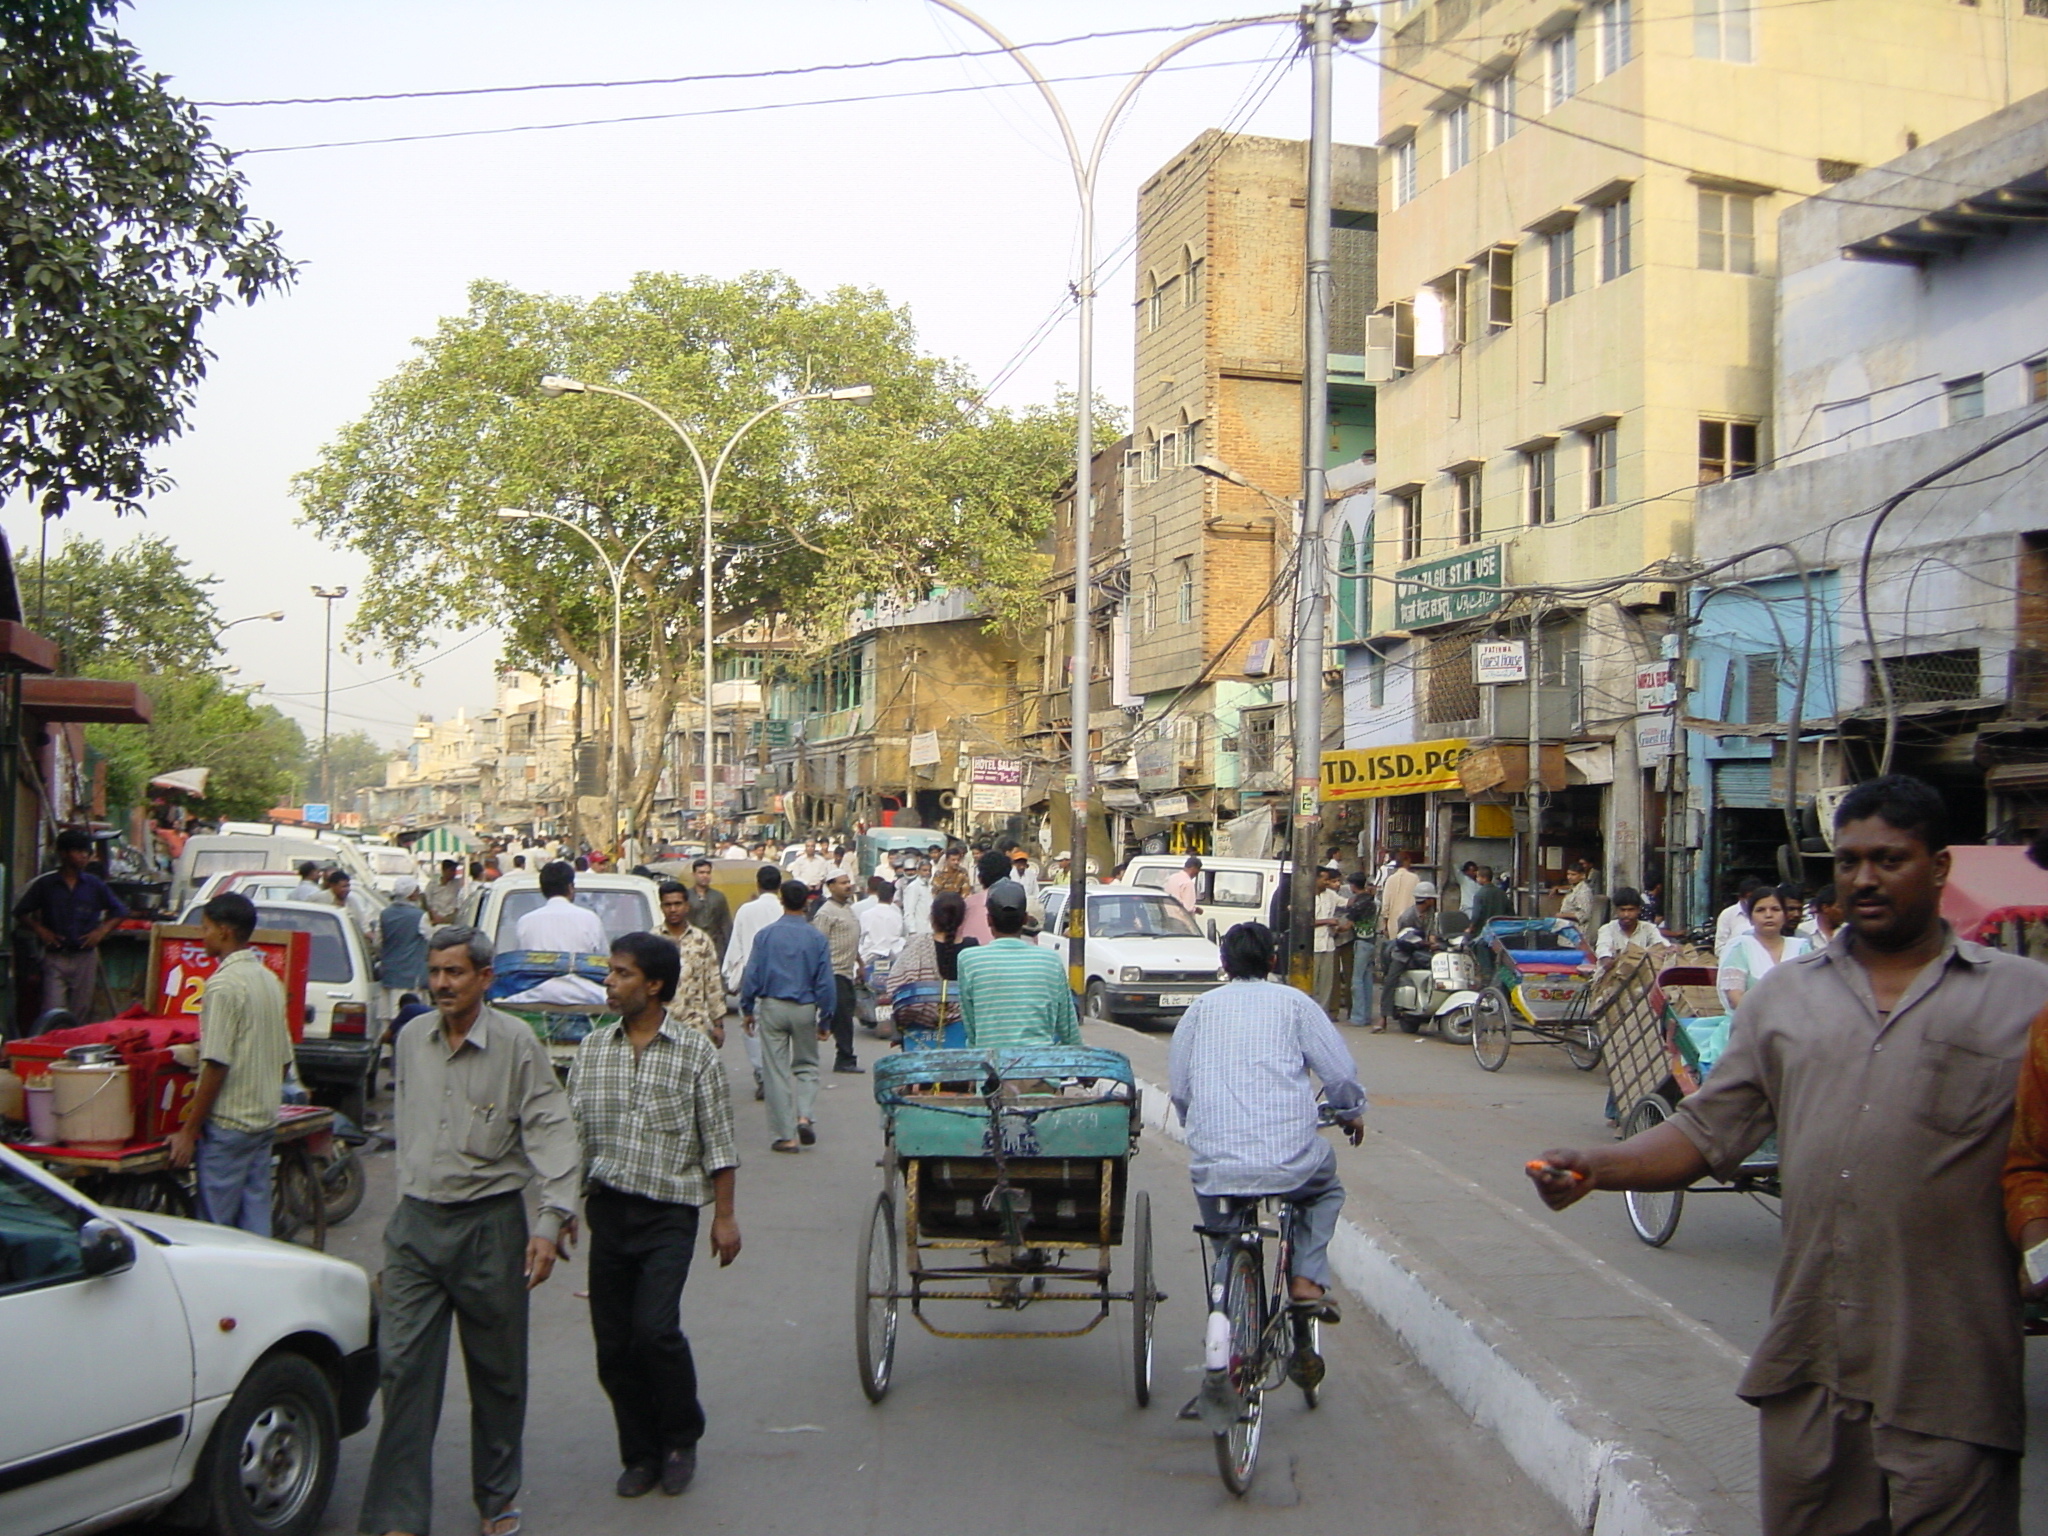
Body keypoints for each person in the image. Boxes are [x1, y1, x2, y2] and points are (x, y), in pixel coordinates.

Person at [1529, 774, 2048, 1536]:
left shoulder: (2025, 1001)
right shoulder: (1786, 999)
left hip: (1953, 1362)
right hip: (1813, 1361)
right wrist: (1599, 1166)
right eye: (1849, 861)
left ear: (1939, 867)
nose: (1864, 878)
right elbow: (1708, 1133)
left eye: (1890, 859)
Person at [358, 926, 580, 1536]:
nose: (440, 984)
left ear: (484, 978)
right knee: (402, 1369)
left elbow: (551, 1128)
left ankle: (497, 1495)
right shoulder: (409, 1039)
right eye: (434, 972)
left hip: (490, 1227)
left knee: (498, 1373)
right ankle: (400, 1513)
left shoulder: (516, 1043)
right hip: (416, 1228)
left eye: (454, 973)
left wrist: (550, 1217)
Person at [571, 932, 740, 1501]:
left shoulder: (694, 1053)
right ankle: (639, 1452)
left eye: (621, 974)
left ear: (654, 985)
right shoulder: (594, 1050)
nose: (610, 984)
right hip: (609, 1211)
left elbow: (719, 1141)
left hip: (669, 1214)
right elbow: (573, 1137)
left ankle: (680, 1437)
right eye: (610, 973)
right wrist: (560, 1210)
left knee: (655, 1330)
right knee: (613, 1345)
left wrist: (725, 1219)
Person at [1168, 921, 1364, 1318]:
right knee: (1324, 1189)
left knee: (1217, 1209)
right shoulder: (1296, 1004)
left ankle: (1228, 1268)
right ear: (1273, 960)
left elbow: (1180, 1090)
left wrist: (1199, 1126)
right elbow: (1340, 1076)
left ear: (1224, 964)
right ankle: (1307, 1278)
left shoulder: (1200, 1010)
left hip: (1215, 1158)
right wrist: (1351, 1112)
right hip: (1288, 1158)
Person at [165, 892, 291, 1235]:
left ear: (223, 931)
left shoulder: (222, 986)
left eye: (205, 928)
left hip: (229, 1126)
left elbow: (216, 1064)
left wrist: (189, 1131)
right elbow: (284, 1060)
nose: (201, 935)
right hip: (263, 1120)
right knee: (254, 1228)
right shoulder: (269, 980)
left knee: (217, 1232)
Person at [739, 881, 835, 1153]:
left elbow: (752, 974)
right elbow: (825, 983)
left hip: (772, 1006)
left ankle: (786, 1136)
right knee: (806, 1065)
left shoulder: (766, 936)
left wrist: (747, 1009)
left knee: (776, 1072)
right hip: (805, 1008)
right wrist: (826, 1018)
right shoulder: (816, 938)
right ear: (806, 902)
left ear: (781, 901)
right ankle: (804, 1116)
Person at [14, 827, 127, 1024]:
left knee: (80, 1012)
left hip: (85, 955)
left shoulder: (94, 885)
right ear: (63, 854)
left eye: (87, 853)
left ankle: (72, 1050)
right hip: (55, 956)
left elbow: (120, 911)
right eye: (79, 851)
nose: (84, 857)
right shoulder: (46, 884)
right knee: (51, 1010)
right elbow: (20, 912)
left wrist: (101, 931)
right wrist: (40, 930)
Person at [957, 879, 1081, 1049]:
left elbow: (972, 1029)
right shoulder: (1050, 960)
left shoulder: (969, 960)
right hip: (1041, 1069)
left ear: (989, 920)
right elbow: (1069, 1031)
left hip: (991, 1069)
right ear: (1025, 919)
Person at [722, 865, 786, 1102]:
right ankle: (775, 1075)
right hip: (783, 978)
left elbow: (736, 945)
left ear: (758, 885)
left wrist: (731, 975)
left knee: (752, 1027)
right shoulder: (785, 909)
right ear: (779, 886)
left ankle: (762, 1074)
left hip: (753, 977)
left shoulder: (746, 910)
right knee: (778, 1030)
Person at [508, 860, 609, 1006]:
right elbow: (603, 963)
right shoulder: (590, 918)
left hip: (535, 994)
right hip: (586, 995)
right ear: (570, 887)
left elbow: (520, 963)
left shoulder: (525, 921)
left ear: (542, 889)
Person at [883, 890, 976, 1048]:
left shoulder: (916, 946)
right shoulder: (972, 948)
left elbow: (896, 990)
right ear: (962, 919)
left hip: (919, 1033)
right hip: (963, 1034)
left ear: (932, 917)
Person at [1716, 883, 1811, 1013]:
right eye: (1760, 910)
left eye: (1775, 909)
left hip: (1795, 1024)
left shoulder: (1801, 947)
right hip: (1749, 1024)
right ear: (1750, 917)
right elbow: (1735, 998)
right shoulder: (1741, 947)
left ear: (1784, 915)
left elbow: (1810, 994)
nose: (1768, 915)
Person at [656, 884, 727, 1048]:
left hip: (696, 1024)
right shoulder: (653, 940)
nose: (673, 909)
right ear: (662, 907)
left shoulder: (702, 940)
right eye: (668, 905)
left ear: (687, 906)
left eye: (678, 904)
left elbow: (713, 983)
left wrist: (718, 1024)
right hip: (661, 1024)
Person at [811, 871, 863, 1073]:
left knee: (844, 1014)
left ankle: (844, 1055)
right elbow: (818, 944)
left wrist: (860, 962)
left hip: (848, 970)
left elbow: (850, 938)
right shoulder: (826, 913)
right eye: (843, 883)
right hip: (833, 972)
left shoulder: (848, 908)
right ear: (831, 886)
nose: (848, 886)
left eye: (849, 882)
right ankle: (845, 1058)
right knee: (843, 1018)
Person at [378, 878, 431, 1026]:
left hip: (389, 974)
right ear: (411, 895)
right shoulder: (420, 916)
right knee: (412, 1019)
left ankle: (386, 1048)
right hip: (412, 976)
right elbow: (431, 939)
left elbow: (378, 942)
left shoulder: (385, 914)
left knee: (388, 1017)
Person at [1593, 887, 1658, 972]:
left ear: (1638, 910)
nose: (1626, 914)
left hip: (1641, 975)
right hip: (1612, 977)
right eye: (1622, 910)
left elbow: (1661, 945)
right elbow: (1603, 948)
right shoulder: (1607, 929)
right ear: (1616, 910)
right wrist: (1606, 959)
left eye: (1631, 910)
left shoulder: (1649, 929)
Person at [1344, 872, 1377, 1028]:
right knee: (1367, 979)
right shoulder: (1370, 900)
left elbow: (1346, 926)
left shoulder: (1359, 903)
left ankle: (1358, 1017)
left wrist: (1334, 926)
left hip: (1361, 942)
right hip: (1371, 941)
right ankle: (1366, 1015)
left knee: (1356, 980)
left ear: (1352, 885)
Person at [1310, 865, 1344, 1018]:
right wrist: (1327, 921)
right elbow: (1304, 921)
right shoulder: (1306, 896)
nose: (1327, 883)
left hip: (1328, 944)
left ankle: (1322, 1014)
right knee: (1312, 983)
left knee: (1326, 984)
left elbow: (1346, 903)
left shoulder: (1330, 895)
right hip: (1313, 945)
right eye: (1324, 880)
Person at [686, 858, 732, 963]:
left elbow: (725, 924)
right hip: (691, 946)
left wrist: (728, 949)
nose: (705, 876)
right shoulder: (686, 896)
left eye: (708, 873)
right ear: (694, 874)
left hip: (715, 947)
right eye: (701, 872)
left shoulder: (718, 897)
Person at [1376, 850, 1419, 947]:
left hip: (1393, 923)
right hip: (1410, 922)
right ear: (1406, 861)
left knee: (1394, 950)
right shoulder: (1415, 878)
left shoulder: (1390, 879)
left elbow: (1385, 905)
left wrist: (1385, 926)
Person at [1714, 874, 1763, 956]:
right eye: (1750, 898)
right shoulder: (1727, 914)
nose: (1754, 902)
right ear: (1741, 898)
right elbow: (1719, 949)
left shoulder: (1767, 914)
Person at [898, 857, 933, 937]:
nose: (927, 873)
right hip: (918, 931)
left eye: (929, 870)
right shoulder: (913, 887)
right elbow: (909, 911)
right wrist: (912, 931)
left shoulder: (931, 886)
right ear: (918, 871)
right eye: (924, 870)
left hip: (930, 929)